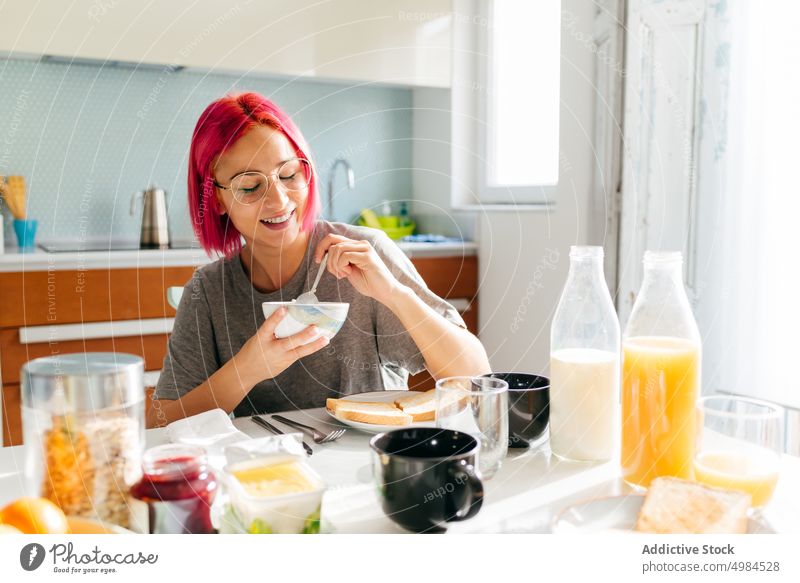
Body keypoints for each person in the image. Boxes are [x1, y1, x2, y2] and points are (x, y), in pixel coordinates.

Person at [147, 92, 490, 428]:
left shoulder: (363, 251)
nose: (279, 200)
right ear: (217, 199)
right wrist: (249, 367)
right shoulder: (209, 291)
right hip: (274, 472)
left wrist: (394, 295)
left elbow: (476, 375)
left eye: (289, 174)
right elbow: (161, 422)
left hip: (371, 463)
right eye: (250, 186)